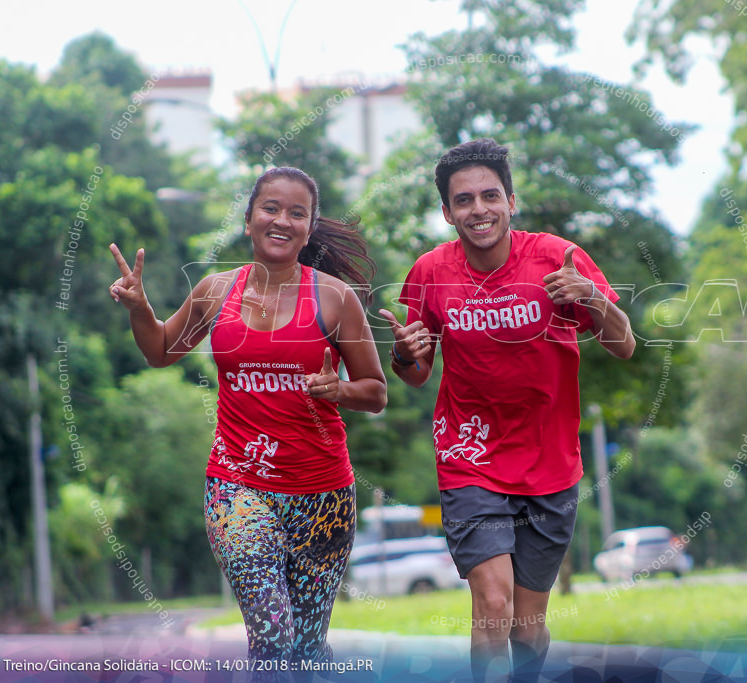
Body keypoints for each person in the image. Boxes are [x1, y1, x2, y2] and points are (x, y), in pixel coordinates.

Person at [109, 166, 387, 671]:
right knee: (272, 630)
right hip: (238, 487)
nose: (282, 220)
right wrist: (139, 307)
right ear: (249, 219)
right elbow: (161, 350)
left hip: (322, 496)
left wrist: (338, 389)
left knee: (304, 649)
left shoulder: (334, 298)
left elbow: (376, 391)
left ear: (310, 226)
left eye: (296, 213)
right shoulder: (217, 291)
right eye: (271, 208)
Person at [380, 139, 635, 681]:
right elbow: (415, 371)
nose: (479, 210)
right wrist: (404, 354)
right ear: (448, 212)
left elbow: (624, 344)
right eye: (464, 201)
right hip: (468, 455)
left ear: (511, 201)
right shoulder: (429, 273)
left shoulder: (556, 258)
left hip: (549, 462)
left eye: (490, 196)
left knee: (526, 626)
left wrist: (590, 297)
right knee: (492, 607)